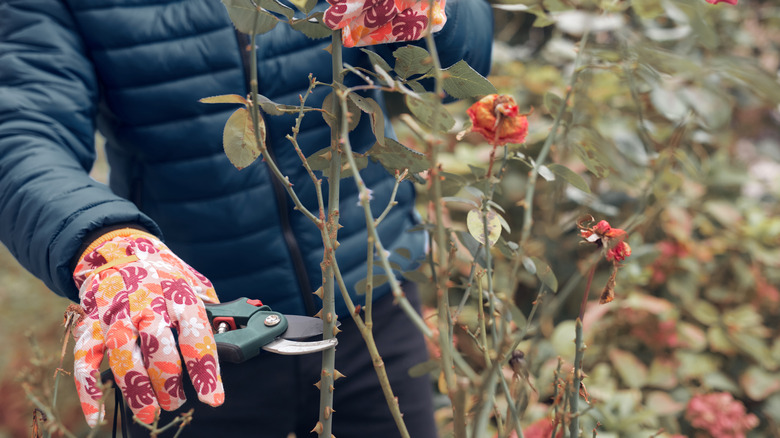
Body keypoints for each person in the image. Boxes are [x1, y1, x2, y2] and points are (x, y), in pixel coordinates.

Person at [0, 0, 494, 436]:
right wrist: (107, 243)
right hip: (192, 329)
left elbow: (457, 71)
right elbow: (22, 130)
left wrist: (431, 13)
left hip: (372, 307)